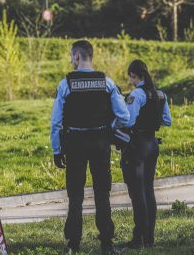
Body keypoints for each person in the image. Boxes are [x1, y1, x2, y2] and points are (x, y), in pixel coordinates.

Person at [50, 40, 131, 254]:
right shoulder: (107, 83)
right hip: (100, 144)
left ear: (77, 57)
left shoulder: (65, 84)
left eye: (71, 56)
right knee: (102, 194)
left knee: (75, 195)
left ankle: (74, 244)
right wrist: (108, 128)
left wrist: (57, 150)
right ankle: (106, 243)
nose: (70, 60)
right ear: (90, 56)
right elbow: (124, 115)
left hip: (74, 144)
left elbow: (56, 122)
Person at [119, 59, 172, 249]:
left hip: (137, 146)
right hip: (152, 144)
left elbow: (129, 121)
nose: (131, 81)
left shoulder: (137, 94)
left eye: (131, 78)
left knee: (137, 192)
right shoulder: (160, 94)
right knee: (148, 190)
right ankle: (149, 237)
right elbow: (167, 120)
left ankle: (138, 239)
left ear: (134, 75)